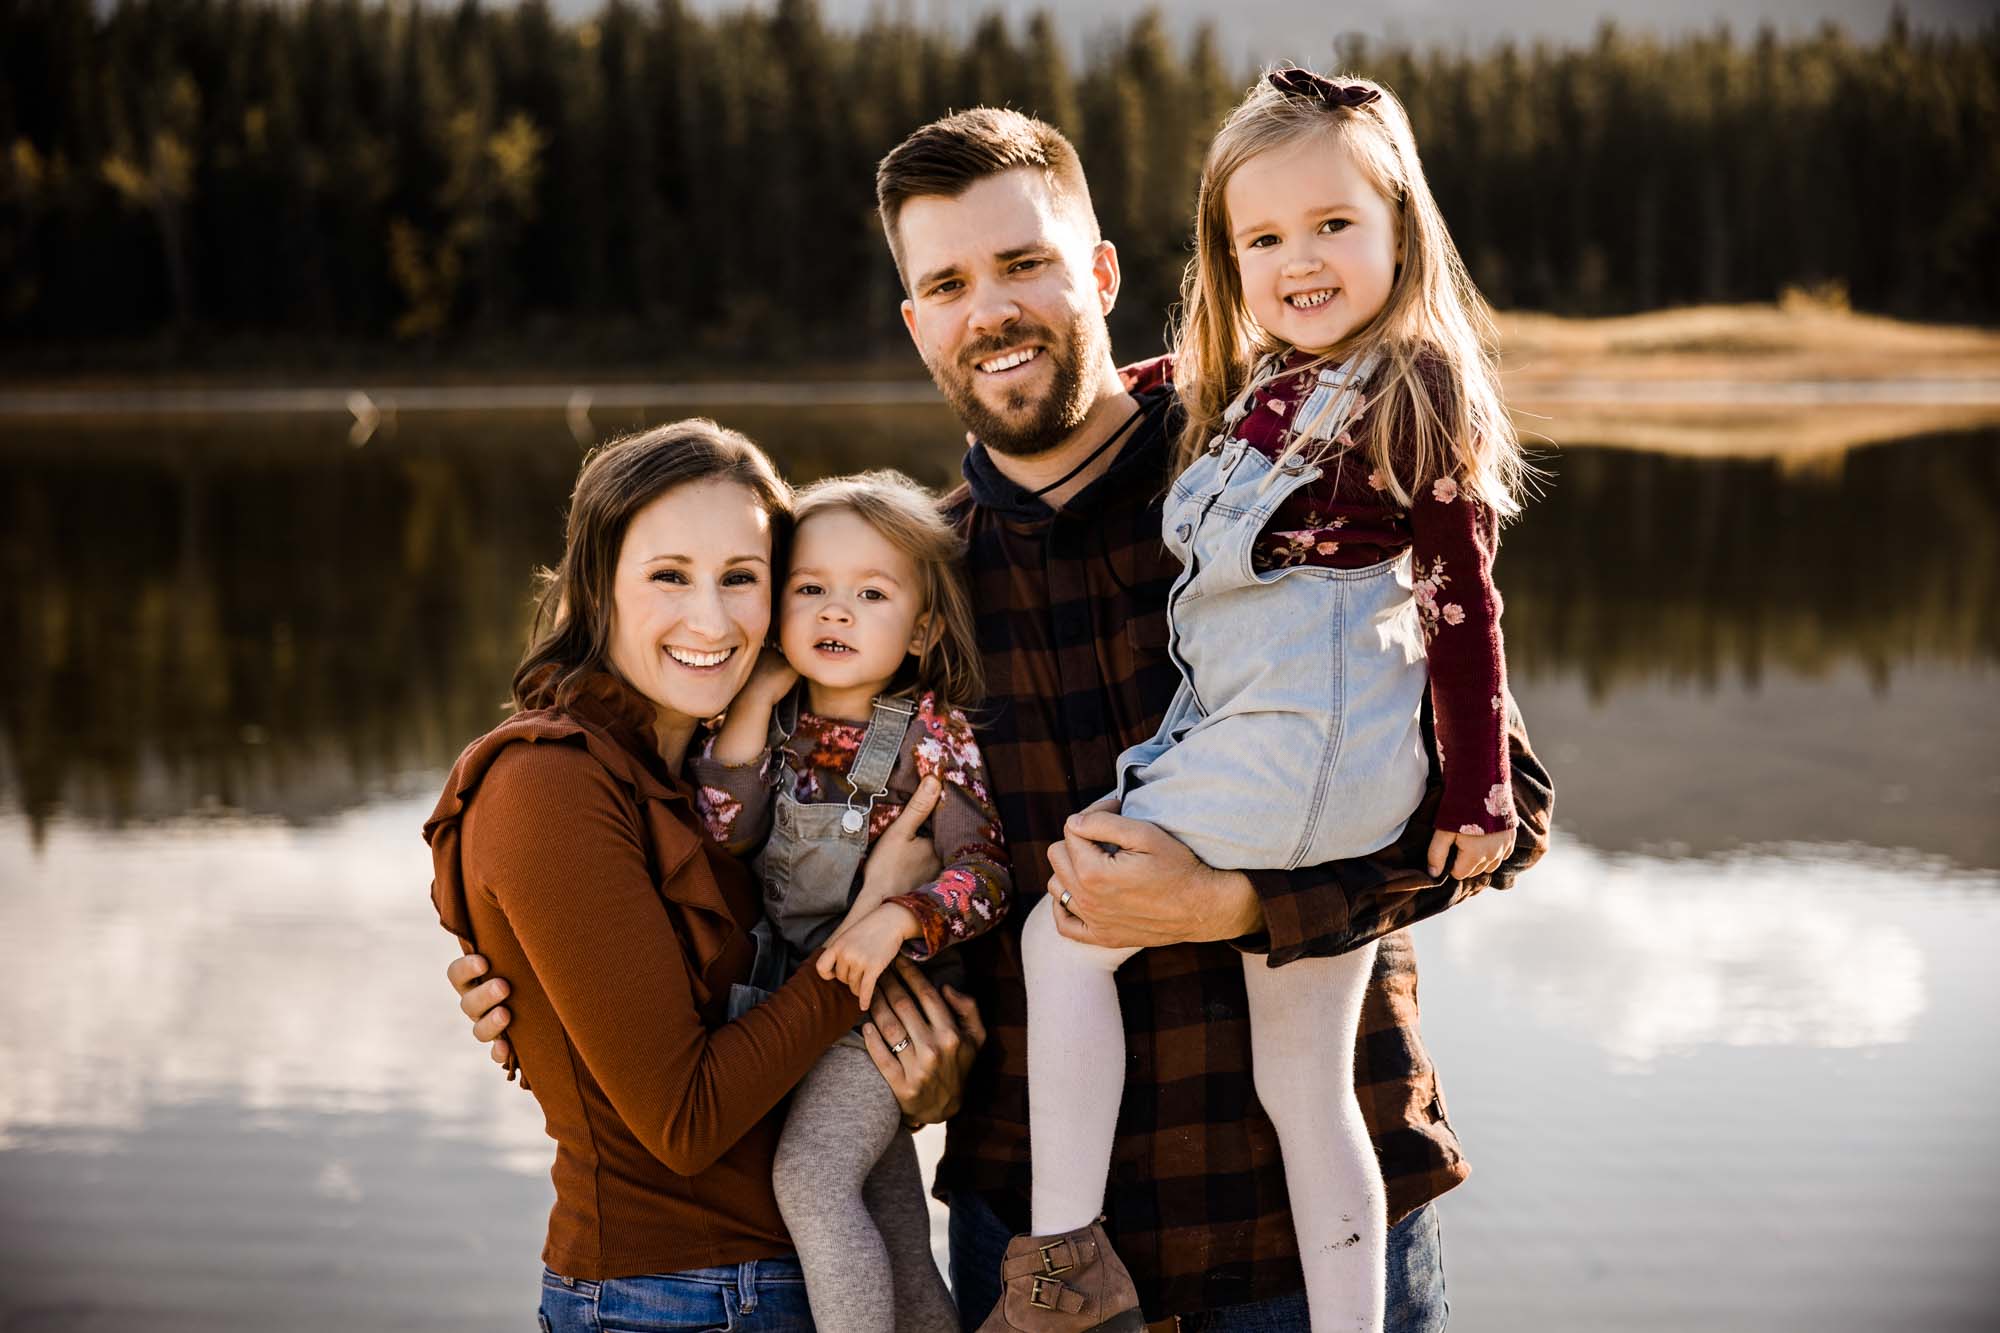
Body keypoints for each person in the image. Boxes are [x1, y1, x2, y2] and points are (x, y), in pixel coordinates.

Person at [454, 107, 1554, 1332]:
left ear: (1099, 271)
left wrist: (1243, 907)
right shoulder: (894, 598)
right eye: (947, 282)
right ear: (916, 321)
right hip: (1032, 1241)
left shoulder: (1272, 478)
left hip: (1309, 1235)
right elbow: (725, 841)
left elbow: (1501, 797)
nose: (992, 309)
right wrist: (529, 980)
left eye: (1024, 263)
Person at [1001, 68, 1531, 1333]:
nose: (1300, 260)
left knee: (1056, 939)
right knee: (1307, 1080)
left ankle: (1061, 1270)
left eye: (1333, 225)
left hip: (1299, 750)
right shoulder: (1261, 388)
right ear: (1225, 257)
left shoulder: (1413, 388)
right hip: (1340, 784)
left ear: (1401, 228)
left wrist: (1484, 784)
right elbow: (1184, 370)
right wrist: (1113, 384)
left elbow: (1461, 599)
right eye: (1264, 238)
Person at [424, 421, 976, 1333]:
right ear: (596, 585)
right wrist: (874, 925)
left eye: (742, 578)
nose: (712, 621)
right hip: (676, 1297)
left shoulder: (733, 777)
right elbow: (684, 1118)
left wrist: (924, 1074)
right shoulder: (551, 784)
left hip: (787, 1279)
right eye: (669, 575)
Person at [688, 470, 1011, 1332]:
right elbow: (724, 829)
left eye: (871, 593)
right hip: (798, 1002)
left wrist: (901, 914)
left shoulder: (931, 733)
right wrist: (754, 696)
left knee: (813, 1179)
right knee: (897, 1224)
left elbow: (984, 873)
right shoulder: (774, 718)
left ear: (924, 625)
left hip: (891, 1011)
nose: (836, 611)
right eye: (812, 589)